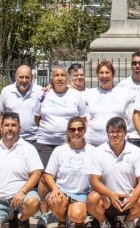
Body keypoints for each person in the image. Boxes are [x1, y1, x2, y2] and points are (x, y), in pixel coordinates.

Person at [35, 65, 87, 226]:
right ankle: (44, 214)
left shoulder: (77, 96)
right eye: (56, 75)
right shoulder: (43, 94)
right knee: (45, 179)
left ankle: (67, 210)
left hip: (69, 143)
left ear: (68, 78)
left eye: (63, 75)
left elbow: (83, 119)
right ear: (52, 78)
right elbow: (38, 117)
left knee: (68, 175)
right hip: (46, 142)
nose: (59, 78)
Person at [0, 112, 43, 228]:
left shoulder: (28, 148)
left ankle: (21, 219)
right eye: (7, 125)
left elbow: (36, 173)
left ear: (19, 128)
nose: (10, 128)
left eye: (13, 125)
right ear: (1, 127)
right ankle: (8, 216)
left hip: (23, 197)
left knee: (32, 202)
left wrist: (22, 192)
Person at [87, 117, 140, 228]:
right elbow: (94, 181)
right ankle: (103, 222)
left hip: (128, 198)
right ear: (107, 134)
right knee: (92, 198)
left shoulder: (136, 151)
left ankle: (128, 221)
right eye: (112, 132)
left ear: (125, 133)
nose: (115, 135)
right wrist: (111, 194)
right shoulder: (98, 152)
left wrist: (133, 197)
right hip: (107, 198)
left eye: (119, 131)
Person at [43, 117, 93, 228]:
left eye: (80, 129)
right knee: (54, 200)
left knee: (77, 215)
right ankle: (62, 221)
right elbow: (48, 174)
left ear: (84, 130)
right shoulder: (59, 151)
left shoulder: (93, 151)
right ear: (68, 132)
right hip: (63, 191)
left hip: (82, 193)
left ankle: (78, 221)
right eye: (72, 129)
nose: (76, 132)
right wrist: (55, 189)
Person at [84, 60, 138, 147]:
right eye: (101, 72)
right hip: (92, 144)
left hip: (117, 145)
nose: (104, 76)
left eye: (107, 72)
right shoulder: (89, 93)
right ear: (97, 75)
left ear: (112, 74)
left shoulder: (124, 92)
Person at [117, 51, 140, 146]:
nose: (137, 66)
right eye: (134, 63)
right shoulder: (122, 86)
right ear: (131, 65)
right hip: (130, 136)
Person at [0, 65, 41, 146]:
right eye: (21, 77)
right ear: (16, 77)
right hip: (12, 138)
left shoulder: (39, 91)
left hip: (35, 139)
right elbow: (0, 115)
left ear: (31, 78)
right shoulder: (6, 91)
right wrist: (2, 134)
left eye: (27, 77)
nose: (24, 80)